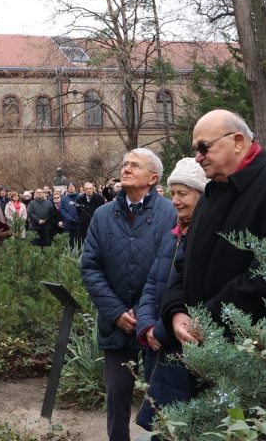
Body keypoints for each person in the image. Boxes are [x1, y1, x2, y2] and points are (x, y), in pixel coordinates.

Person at [160, 109, 266, 389]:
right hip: (202, 351)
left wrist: (207, 318)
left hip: (250, 359)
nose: (197, 157)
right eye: (195, 149)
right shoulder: (212, 193)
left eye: (204, 147)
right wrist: (176, 311)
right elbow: (186, 264)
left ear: (238, 141)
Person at [81, 148, 176, 441]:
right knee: (117, 394)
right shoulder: (103, 215)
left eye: (135, 165)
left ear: (153, 178)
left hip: (155, 325)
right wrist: (116, 312)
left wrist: (144, 312)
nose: (126, 168)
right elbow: (90, 267)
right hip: (117, 325)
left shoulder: (170, 213)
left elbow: (172, 268)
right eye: (124, 164)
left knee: (162, 400)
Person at [135, 158, 207, 433]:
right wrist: (146, 326)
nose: (175, 200)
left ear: (201, 195)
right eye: (173, 192)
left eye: (183, 193)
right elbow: (151, 285)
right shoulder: (172, 237)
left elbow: (194, 297)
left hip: (181, 351)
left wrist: (161, 331)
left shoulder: (205, 239)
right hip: (157, 349)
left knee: (179, 427)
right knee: (161, 424)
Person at [75, 181, 105, 248]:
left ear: (93, 189)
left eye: (90, 188)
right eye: (87, 189)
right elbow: (78, 212)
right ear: (84, 190)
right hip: (83, 226)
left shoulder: (100, 199)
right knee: (83, 244)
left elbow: (102, 211)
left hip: (96, 225)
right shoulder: (79, 200)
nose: (89, 190)